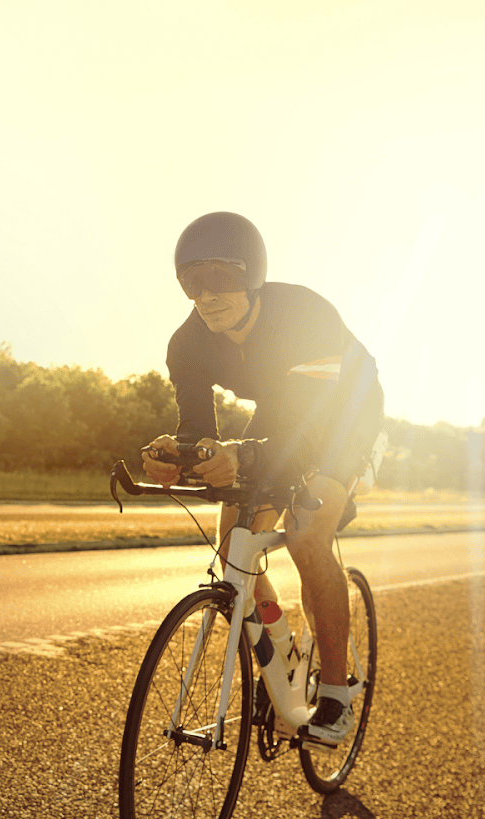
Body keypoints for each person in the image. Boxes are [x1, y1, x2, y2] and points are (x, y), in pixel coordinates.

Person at [142, 211, 384, 749]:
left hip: (345, 413)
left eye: (220, 278)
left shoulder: (304, 315)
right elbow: (199, 433)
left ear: (252, 276)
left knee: (305, 529)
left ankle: (336, 692)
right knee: (233, 545)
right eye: (192, 282)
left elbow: (311, 429)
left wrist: (241, 456)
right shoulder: (187, 344)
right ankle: (280, 653)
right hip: (284, 413)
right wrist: (172, 457)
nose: (206, 295)